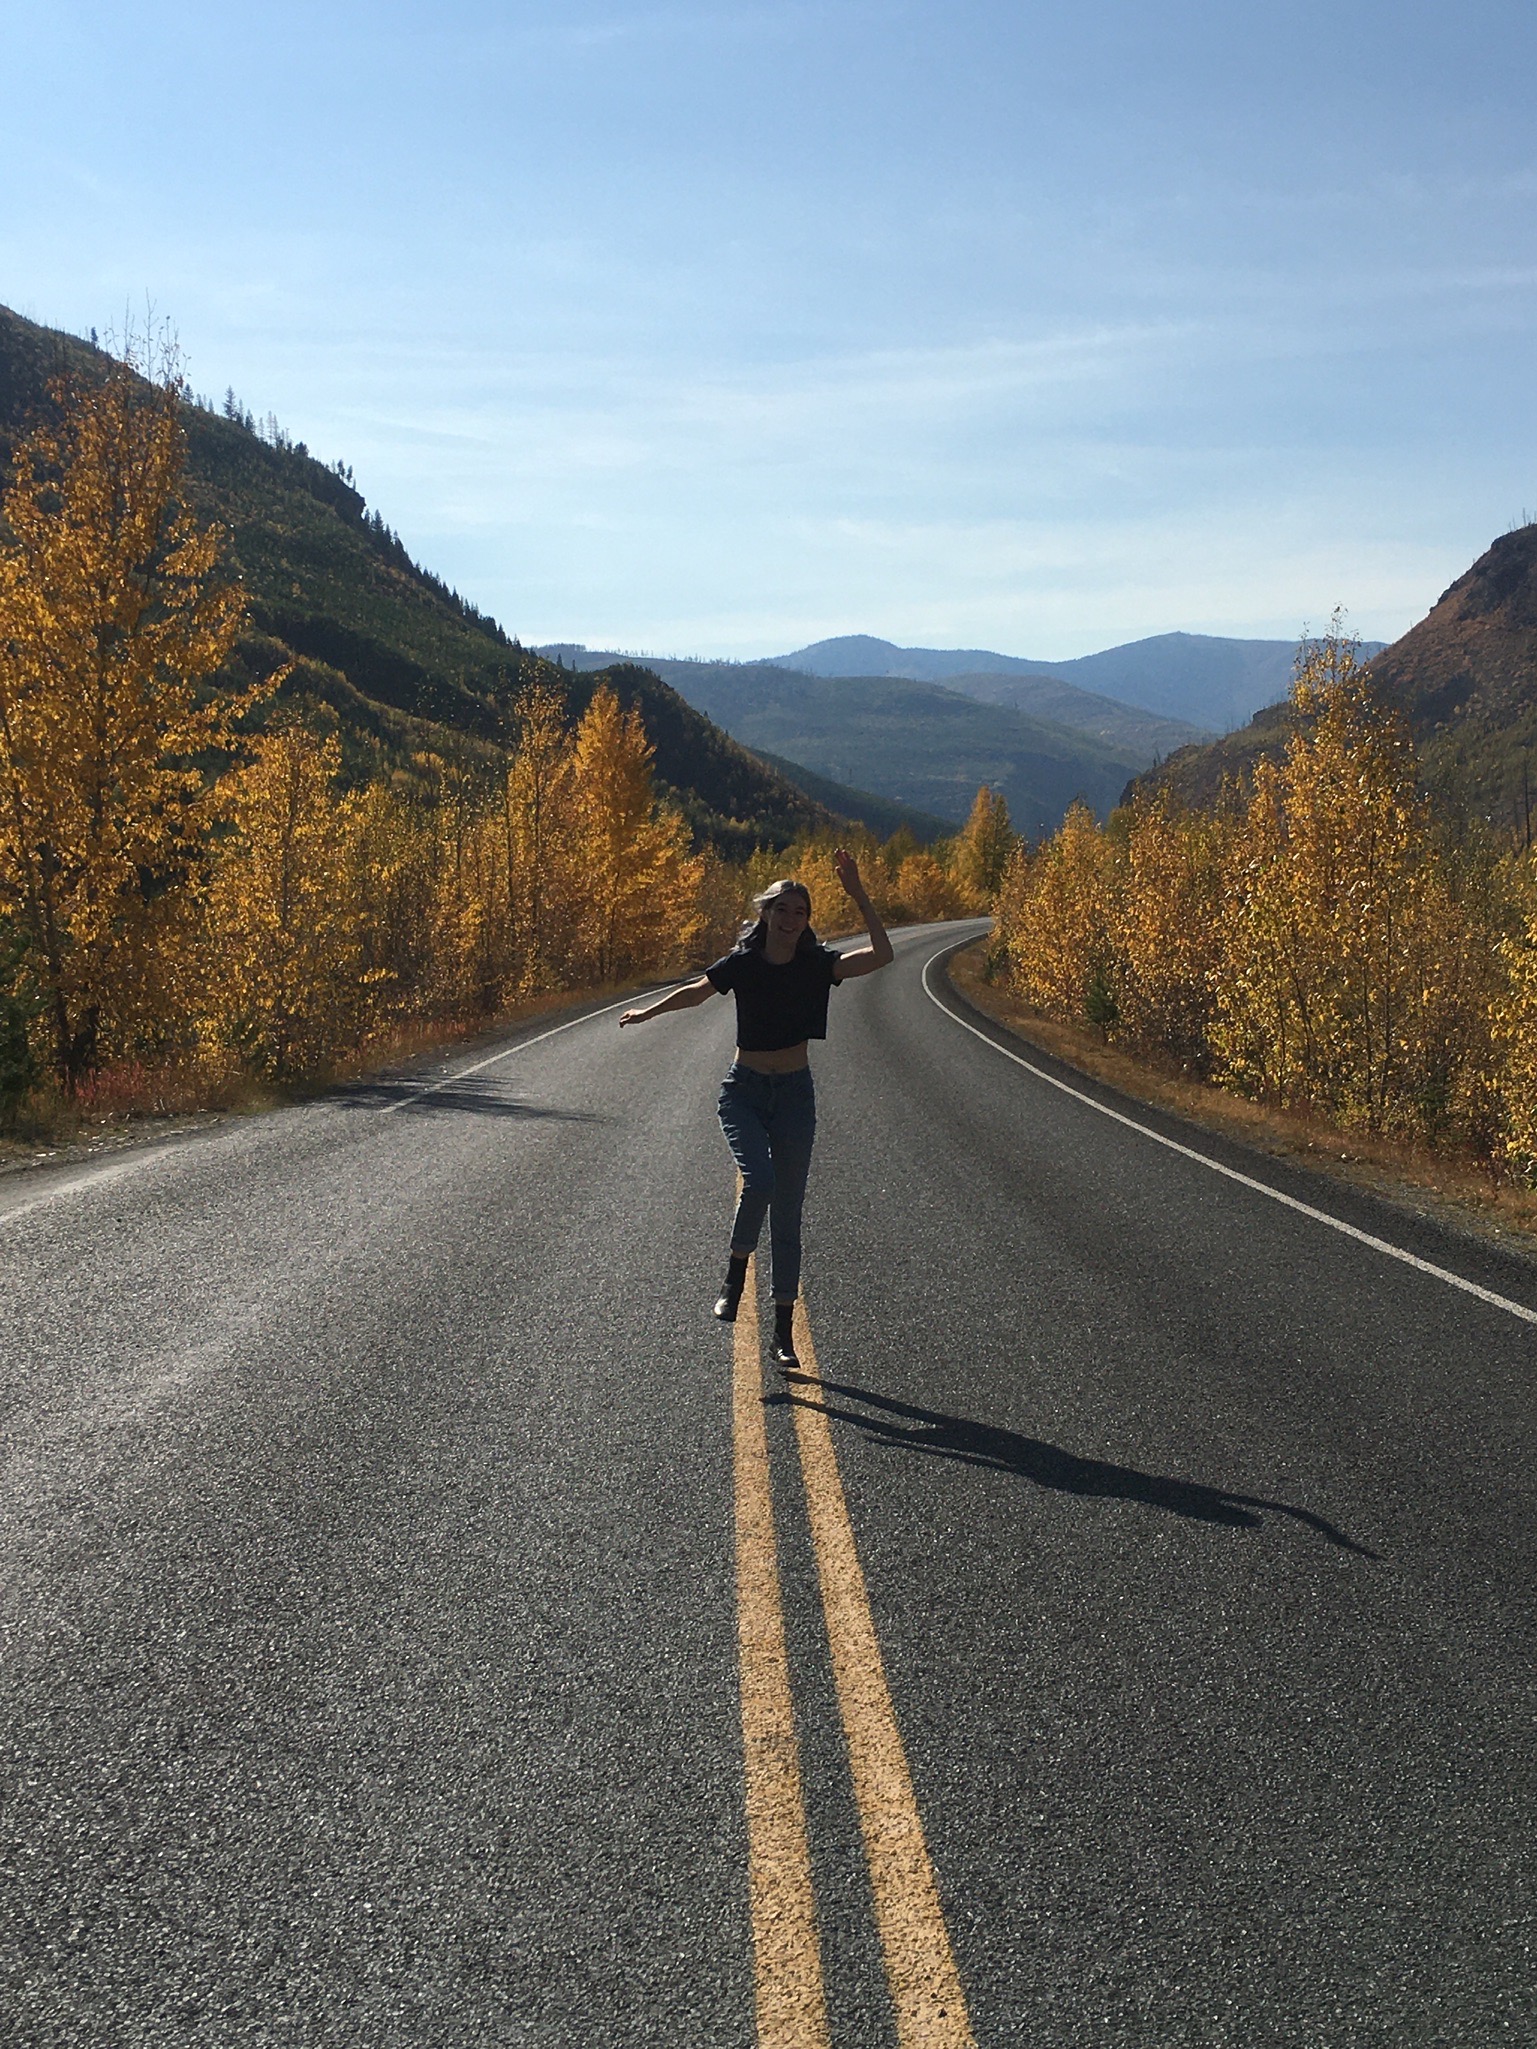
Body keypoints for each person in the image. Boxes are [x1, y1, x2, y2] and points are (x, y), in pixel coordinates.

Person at [619, 850, 893, 1365]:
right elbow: (695, 993)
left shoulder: (819, 964)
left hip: (794, 1095)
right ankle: (734, 1276)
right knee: (760, 1183)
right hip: (744, 1091)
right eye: (782, 909)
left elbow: (882, 956)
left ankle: (783, 1336)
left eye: (800, 913)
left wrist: (858, 893)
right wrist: (645, 1012)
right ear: (765, 914)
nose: (791, 920)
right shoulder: (743, 964)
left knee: (788, 1219)